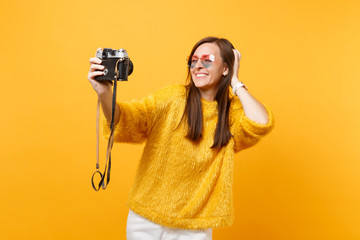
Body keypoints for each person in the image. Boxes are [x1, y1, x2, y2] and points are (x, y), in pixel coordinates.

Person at [87, 37, 275, 240]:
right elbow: (127, 121)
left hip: (194, 227)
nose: (198, 65)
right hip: (145, 220)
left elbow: (261, 123)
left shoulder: (230, 113)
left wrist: (236, 82)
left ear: (226, 68)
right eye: (193, 60)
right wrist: (104, 93)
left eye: (208, 59)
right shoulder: (172, 98)